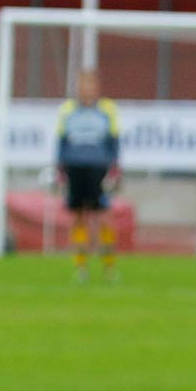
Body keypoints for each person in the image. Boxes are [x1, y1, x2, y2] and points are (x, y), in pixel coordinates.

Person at [54, 69, 121, 283]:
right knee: (79, 217)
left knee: (103, 216)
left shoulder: (107, 110)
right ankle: (81, 267)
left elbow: (114, 141)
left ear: (97, 87)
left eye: (91, 84)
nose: (87, 89)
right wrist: (60, 168)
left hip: (98, 168)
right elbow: (61, 141)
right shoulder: (67, 110)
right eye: (84, 84)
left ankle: (109, 267)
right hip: (75, 167)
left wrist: (115, 168)